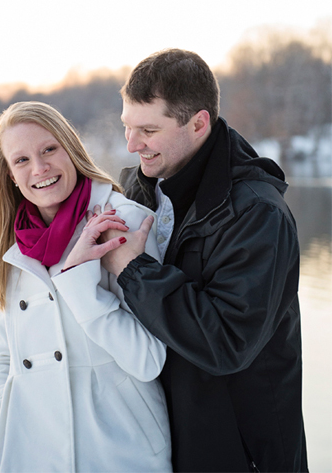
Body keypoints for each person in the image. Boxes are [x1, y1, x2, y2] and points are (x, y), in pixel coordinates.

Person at [101, 48, 307, 472]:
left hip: (241, 456)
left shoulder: (256, 214)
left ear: (198, 123)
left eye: (148, 130)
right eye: (127, 127)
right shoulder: (138, 194)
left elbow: (227, 342)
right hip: (159, 449)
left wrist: (133, 271)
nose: (131, 144)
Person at [0, 101, 172, 472]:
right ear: (9, 174)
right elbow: (5, 353)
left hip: (117, 451)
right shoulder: (14, 242)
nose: (39, 169)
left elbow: (148, 360)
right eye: (21, 160)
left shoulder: (124, 222)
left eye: (49, 149)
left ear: (71, 149)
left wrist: (80, 282)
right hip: (30, 452)